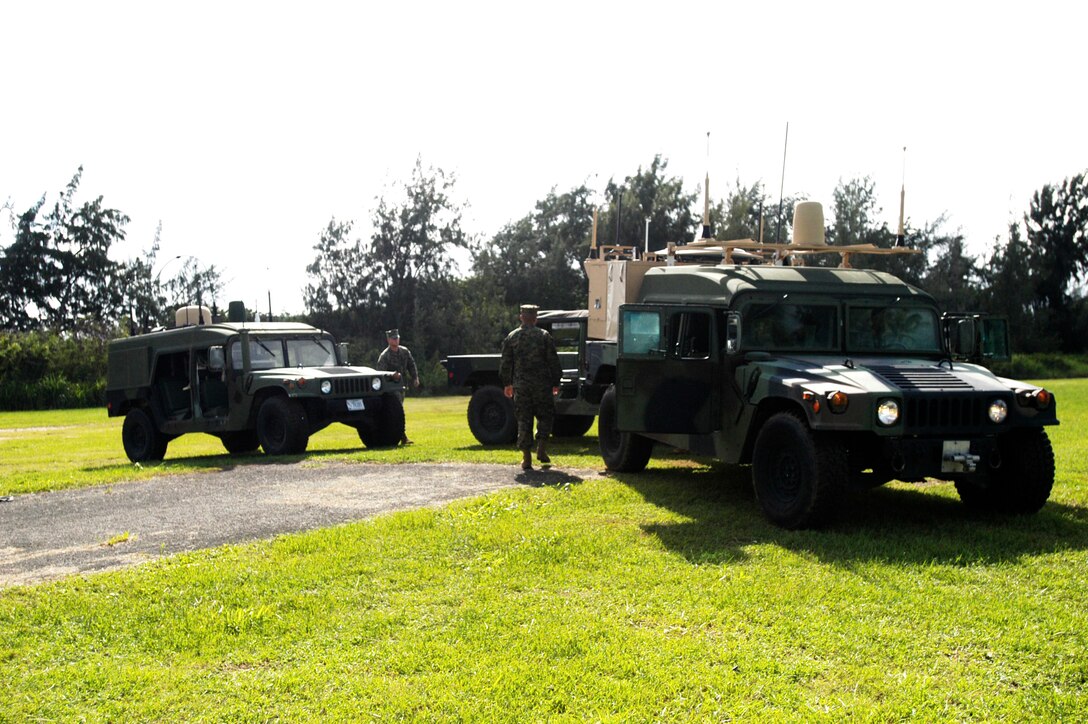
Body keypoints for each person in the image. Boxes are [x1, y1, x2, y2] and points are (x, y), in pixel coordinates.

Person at [499, 304, 562, 471]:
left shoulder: (512, 337)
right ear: (535, 318)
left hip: (522, 386)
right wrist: (556, 382)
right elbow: (553, 361)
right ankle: (541, 448)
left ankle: (526, 458)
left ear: (521, 317)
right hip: (542, 385)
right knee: (545, 416)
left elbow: (505, 363)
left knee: (524, 420)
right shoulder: (544, 336)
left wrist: (507, 384)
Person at [376, 328, 420, 445]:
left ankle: (399, 435)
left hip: (401, 387)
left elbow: (411, 364)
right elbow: (380, 374)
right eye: (394, 338)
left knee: (397, 412)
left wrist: (415, 377)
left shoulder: (404, 352)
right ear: (389, 340)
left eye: (397, 338)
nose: (396, 340)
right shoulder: (385, 356)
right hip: (390, 389)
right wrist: (391, 376)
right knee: (398, 411)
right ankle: (402, 437)